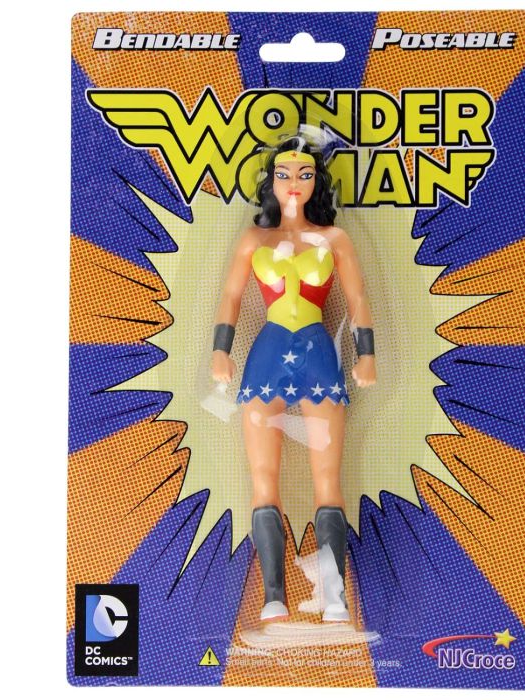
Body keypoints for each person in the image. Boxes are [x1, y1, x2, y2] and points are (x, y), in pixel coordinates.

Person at [211, 136, 376, 622]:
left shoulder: (335, 239)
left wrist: (366, 355)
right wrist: (220, 351)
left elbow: (358, 299)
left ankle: (334, 597)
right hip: (266, 358)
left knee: (328, 479)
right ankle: (273, 597)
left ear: (317, 181)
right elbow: (230, 297)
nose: (294, 183)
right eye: (284, 174)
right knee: (263, 479)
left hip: (319, 357)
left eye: (305, 174)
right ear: (271, 182)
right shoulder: (254, 240)